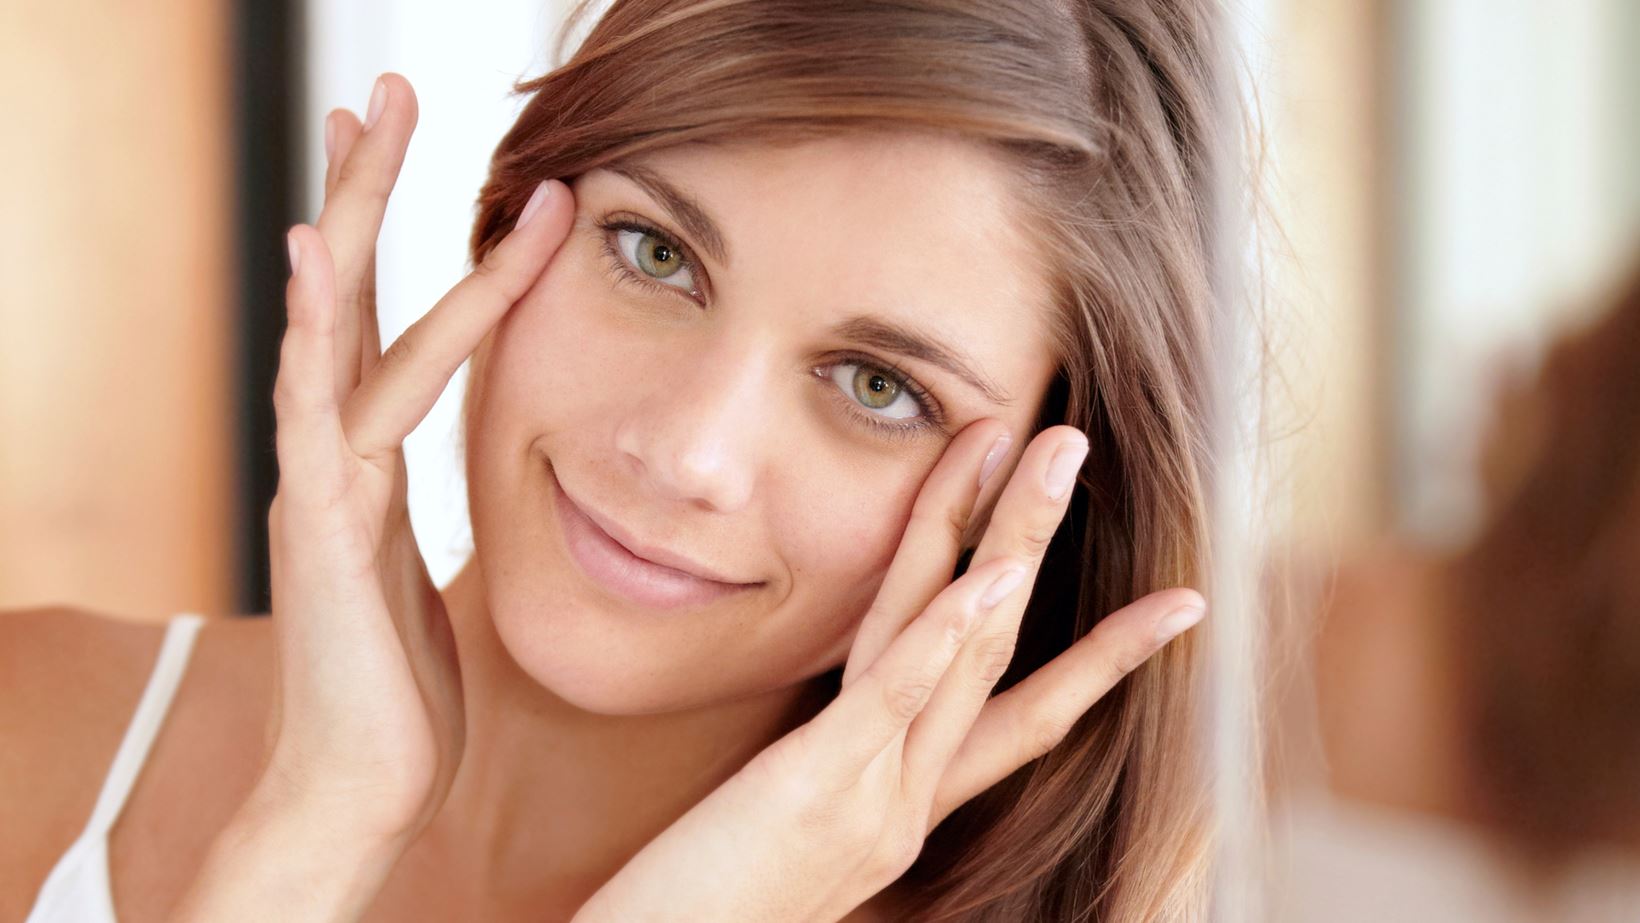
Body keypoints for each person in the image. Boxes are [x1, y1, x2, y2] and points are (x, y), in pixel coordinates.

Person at [3, 1, 1242, 919]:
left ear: (1036, 500)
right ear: (513, 216)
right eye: (655, 254)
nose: (687, 451)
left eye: (879, 386)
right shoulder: (34, 723)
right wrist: (317, 816)